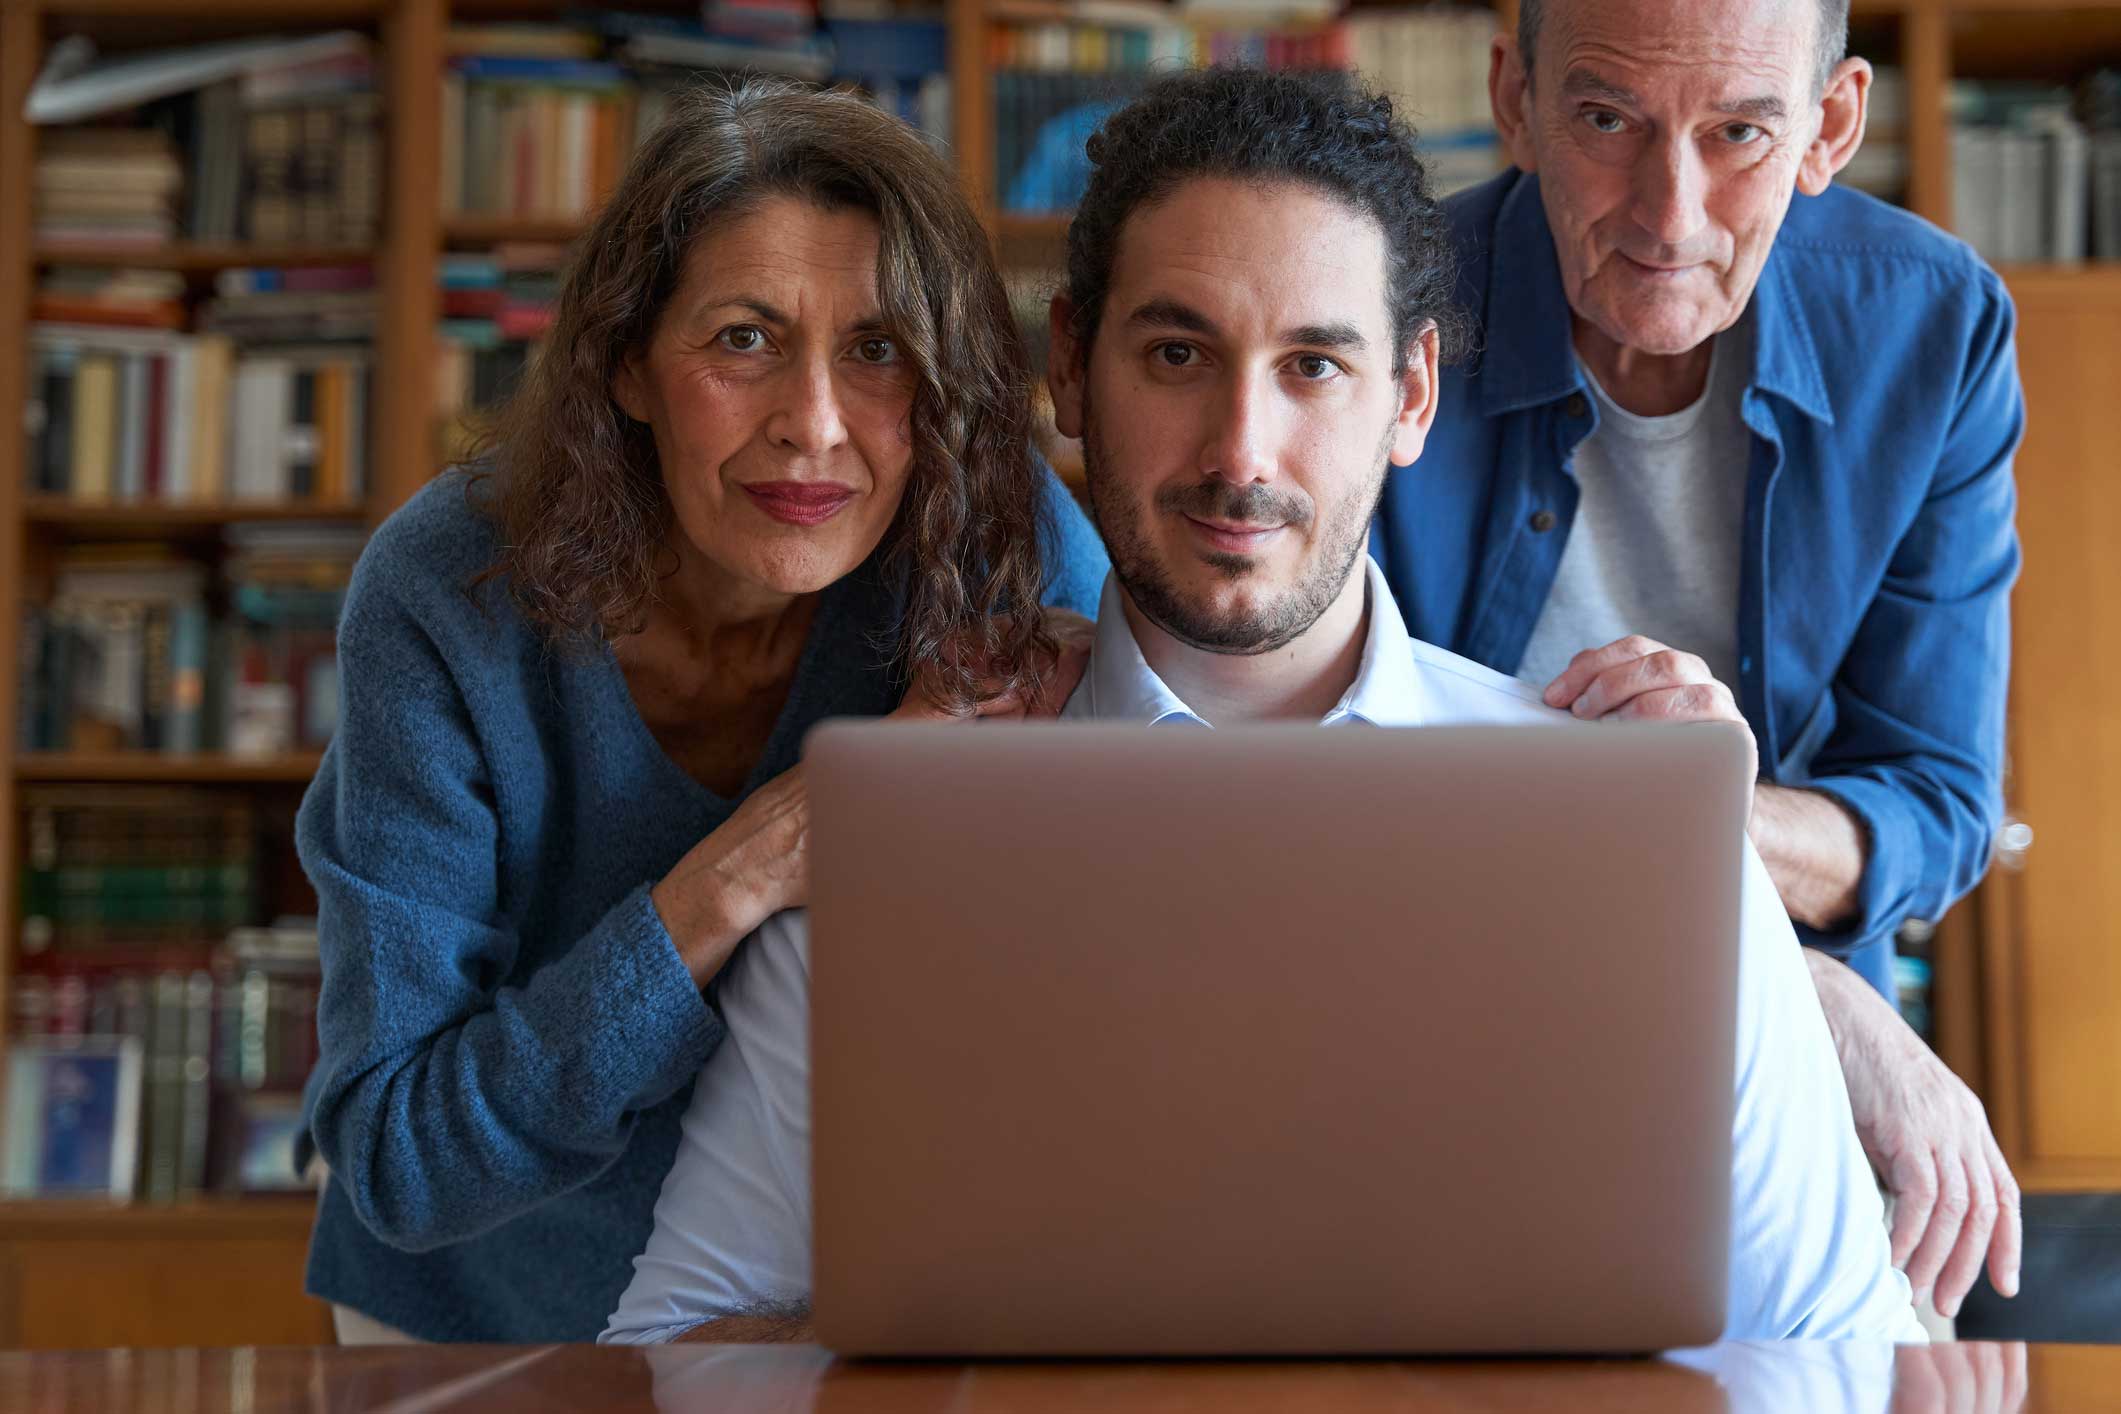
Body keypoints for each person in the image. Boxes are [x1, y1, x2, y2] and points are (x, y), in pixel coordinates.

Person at [601, 66, 1923, 1346]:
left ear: (1410, 394)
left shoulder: (1647, 833)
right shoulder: (895, 837)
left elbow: (1839, 1352)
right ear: (1070, 365)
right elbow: (675, 1342)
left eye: (1313, 367)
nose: (1241, 451)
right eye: (1178, 352)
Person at [295, 79, 1109, 1342]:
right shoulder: (446, 594)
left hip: (827, 1319)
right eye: (743, 339)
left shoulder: (1003, 549)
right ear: (625, 361)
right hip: (481, 1323)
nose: (815, 426)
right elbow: (401, 1157)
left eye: (879, 349)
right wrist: (748, 867)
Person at [1368, 0, 2023, 1320]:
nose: (1669, 218)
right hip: (1417, 1020)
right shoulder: (1370, 306)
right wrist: (1785, 963)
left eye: (1739, 134)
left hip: (1781, 1053)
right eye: (1607, 121)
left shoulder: (1931, 329)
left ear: (1831, 126)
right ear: (1514, 99)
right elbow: (1300, 766)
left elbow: (1938, 804)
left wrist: (1744, 920)